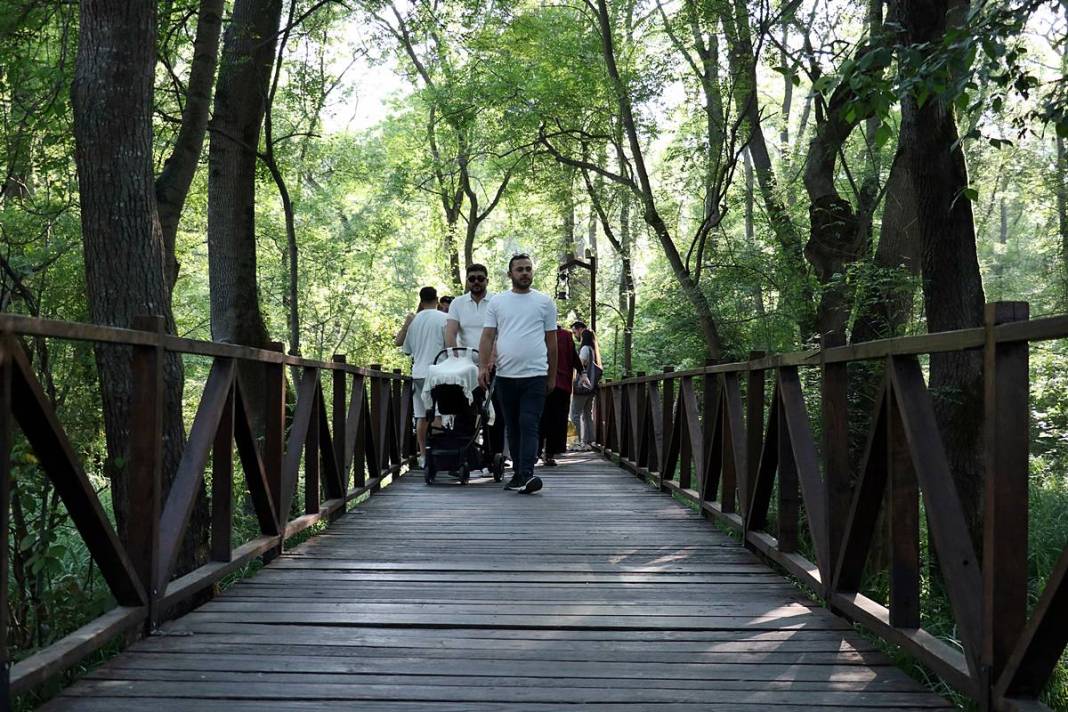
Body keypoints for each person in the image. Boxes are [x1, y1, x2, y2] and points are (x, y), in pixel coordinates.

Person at [478, 254, 557, 494]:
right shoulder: (498, 302)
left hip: (536, 375)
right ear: (510, 274)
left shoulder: (544, 302)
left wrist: (552, 376)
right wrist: (482, 367)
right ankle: (517, 476)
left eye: (528, 269)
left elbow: (552, 342)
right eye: (520, 269)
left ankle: (527, 474)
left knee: (528, 423)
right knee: (512, 426)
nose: (525, 273)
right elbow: (488, 336)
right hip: (506, 376)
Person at [446, 263, 505, 460]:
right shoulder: (457, 304)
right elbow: (451, 332)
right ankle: (465, 456)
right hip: (466, 366)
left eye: (480, 278)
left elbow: (500, 333)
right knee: (464, 411)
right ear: (467, 281)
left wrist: (491, 360)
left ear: (487, 280)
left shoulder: (497, 301)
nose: (476, 282)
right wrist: (454, 359)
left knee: (496, 411)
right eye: (472, 279)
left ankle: (494, 455)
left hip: (494, 364)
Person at [401, 286, 448, 467]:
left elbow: (407, 350)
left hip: (418, 373)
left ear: (421, 301)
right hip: (438, 372)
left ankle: (423, 456)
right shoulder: (443, 319)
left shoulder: (414, 322)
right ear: (436, 300)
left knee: (421, 416)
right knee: (437, 414)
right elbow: (450, 346)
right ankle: (438, 455)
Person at [539, 324, 582, 466]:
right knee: (550, 419)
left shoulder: (541, 333)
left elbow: (573, 356)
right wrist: (582, 371)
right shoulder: (565, 336)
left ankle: (543, 452)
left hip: (549, 383)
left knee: (548, 419)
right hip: (555, 383)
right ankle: (546, 453)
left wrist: (582, 372)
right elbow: (574, 356)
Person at [570, 327, 602, 449]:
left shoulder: (584, 349)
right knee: (587, 414)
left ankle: (577, 442)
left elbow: (581, 362)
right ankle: (590, 441)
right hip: (591, 387)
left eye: (575, 333)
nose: (575, 335)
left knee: (575, 414)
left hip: (582, 387)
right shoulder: (593, 350)